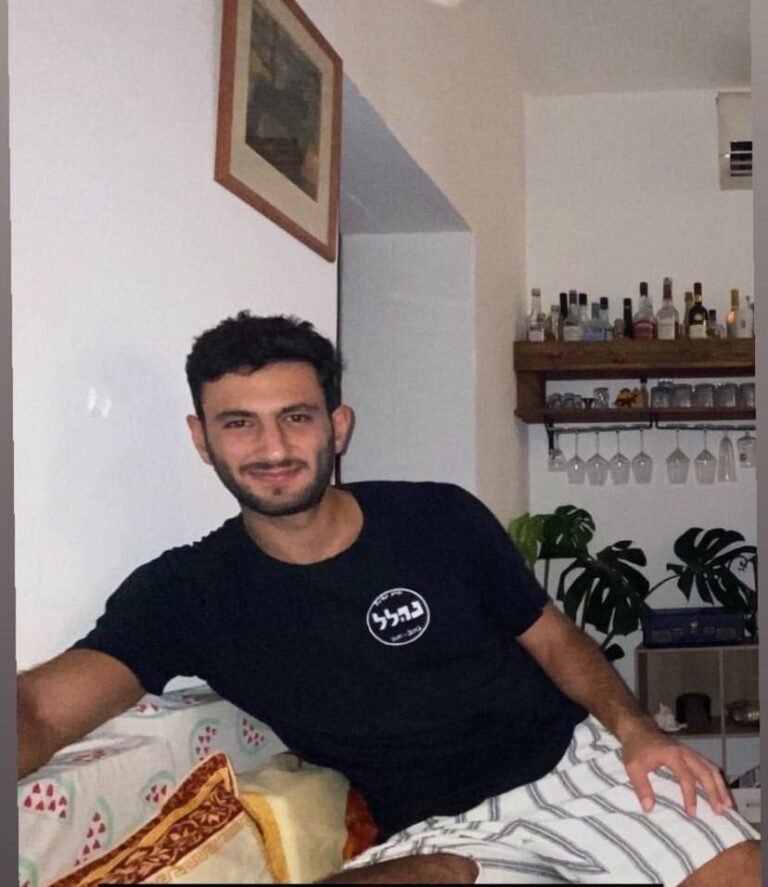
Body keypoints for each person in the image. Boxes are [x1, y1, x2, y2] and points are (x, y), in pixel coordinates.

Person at [18, 312, 760, 886]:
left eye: (296, 416)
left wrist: (637, 731)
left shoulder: (438, 518)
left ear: (337, 425)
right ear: (201, 438)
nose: (272, 447)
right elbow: (44, 709)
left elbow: (554, 638)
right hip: (438, 840)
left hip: (573, 769)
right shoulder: (184, 593)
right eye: (239, 423)